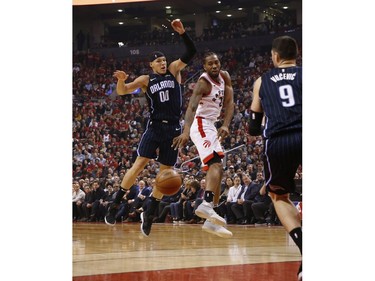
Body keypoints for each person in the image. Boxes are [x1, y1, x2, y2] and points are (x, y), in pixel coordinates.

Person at [104, 19, 197, 237]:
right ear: (152, 65)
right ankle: (114, 204)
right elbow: (124, 90)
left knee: (164, 175)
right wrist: (121, 80)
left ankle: (151, 211)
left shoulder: (175, 70)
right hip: (155, 127)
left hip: (173, 129)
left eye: (164, 60)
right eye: (159, 61)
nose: (163, 63)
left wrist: (183, 33)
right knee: (138, 166)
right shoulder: (147, 79)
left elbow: (191, 51)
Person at [248, 35, 302, 280]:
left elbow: (253, 126)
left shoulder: (262, 81)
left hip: (279, 141)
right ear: (296, 55)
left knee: (279, 195)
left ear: (276, 57)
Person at [172, 51, 234, 238]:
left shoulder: (225, 77)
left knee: (219, 169)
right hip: (200, 124)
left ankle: (210, 221)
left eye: (216, 62)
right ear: (205, 67)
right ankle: (206, 205)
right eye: (210, 64)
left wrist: (225, 124)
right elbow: (191, 107)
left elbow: (230, 103)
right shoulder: (203, 82)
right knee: (215, 163)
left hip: (211, 125)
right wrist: (185, 130)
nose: (214, 66)